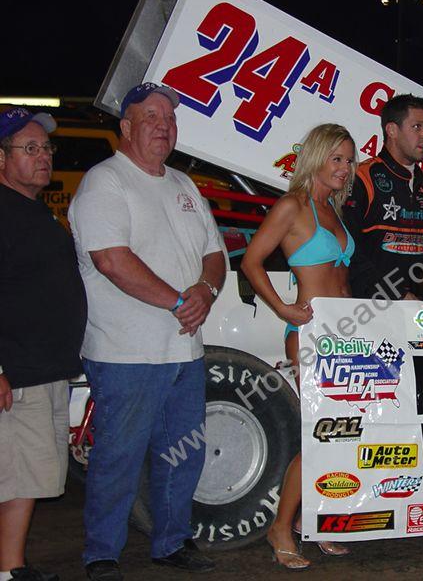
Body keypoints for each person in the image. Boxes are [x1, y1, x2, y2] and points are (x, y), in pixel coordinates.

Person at [68, 83, 226, 581]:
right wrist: (180, 300)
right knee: (119, 454)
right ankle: (102, 554)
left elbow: (215, 254)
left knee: (185, 451)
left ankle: (171, 541)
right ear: (126, 127)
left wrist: (205, 289)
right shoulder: (105, 182)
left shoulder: (183, 184)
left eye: (170, 118)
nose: (164, 125)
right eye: (151, 115)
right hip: (124, 353)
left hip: (183, 350)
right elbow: (112, 261)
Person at [241, 123, 356, 570]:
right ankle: (280, 527)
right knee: (320, 436)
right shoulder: (293, 205)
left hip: (347, 333)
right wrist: (283, 309)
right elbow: (251, 261)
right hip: (311, 335)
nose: (345, 168)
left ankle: (316, 521)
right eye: (337, 158)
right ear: (316, 157)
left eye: (349, 160)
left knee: (339, 436)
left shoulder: (331, 208)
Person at [0, 108, 87, 581]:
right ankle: (10, 569)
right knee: (14, 476)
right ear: (0, 158)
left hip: (45, 369)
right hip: (17, 372)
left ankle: (12, 566)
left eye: (46, 149)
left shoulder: (31, 210)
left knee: (28, 477)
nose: (43, 157)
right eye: (29, 149)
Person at [343, 94, 423, 302]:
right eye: (417, 127)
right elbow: (350, 249)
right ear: (392, 130)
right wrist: (394, 294)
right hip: (373, 307)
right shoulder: (362, 177)